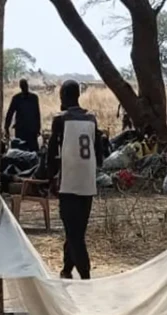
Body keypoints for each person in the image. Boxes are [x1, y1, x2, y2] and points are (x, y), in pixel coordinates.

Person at [46, 80, 101, 280]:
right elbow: (99, 153)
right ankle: (66, 269)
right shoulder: (91, 119)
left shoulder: (60, 120)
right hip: (88, 183)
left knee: (73, 233)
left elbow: (52, 154)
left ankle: (85, 275)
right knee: (77, 229)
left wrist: (48, 177)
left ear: (63, 96)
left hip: (68, 183)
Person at [5, 79, 42, 152]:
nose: (24, 87)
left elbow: (37, 114)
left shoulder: (34, 98)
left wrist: (38, 128)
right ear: (20, 87)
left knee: (33, 152)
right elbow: (10, 113)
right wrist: (6, 127)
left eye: (25, 85)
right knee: (20, 152)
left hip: (31, 130)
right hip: (21, 129)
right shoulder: (16, 98)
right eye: (23, 86)